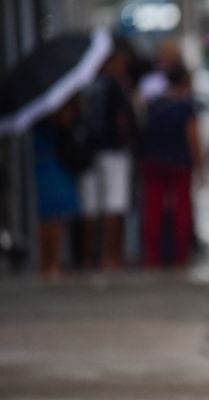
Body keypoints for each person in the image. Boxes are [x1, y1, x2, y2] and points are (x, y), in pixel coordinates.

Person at [78, 40, 139, 270]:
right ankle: (110, 256)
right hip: (113, 151)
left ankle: (87, 257)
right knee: (115, 204)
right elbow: (123, 119)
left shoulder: (86, 83)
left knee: (91, 207)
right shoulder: (114, 85)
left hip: (89, 151)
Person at [141, 65, 202, 267]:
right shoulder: (186, 106)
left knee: (153, 208)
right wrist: (200, 165)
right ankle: (180, 256)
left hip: (153, 161)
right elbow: (192, 137)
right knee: (181, 209)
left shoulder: (154, 104)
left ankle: (152, 256)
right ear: (184, 82)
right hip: (179, 162)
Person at [33, 99, 81, 280]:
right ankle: (49, 263)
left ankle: (50, 263)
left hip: (52, 168)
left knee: (52, 218)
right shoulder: (46, 123)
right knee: (50, 218)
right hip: (49, 169)